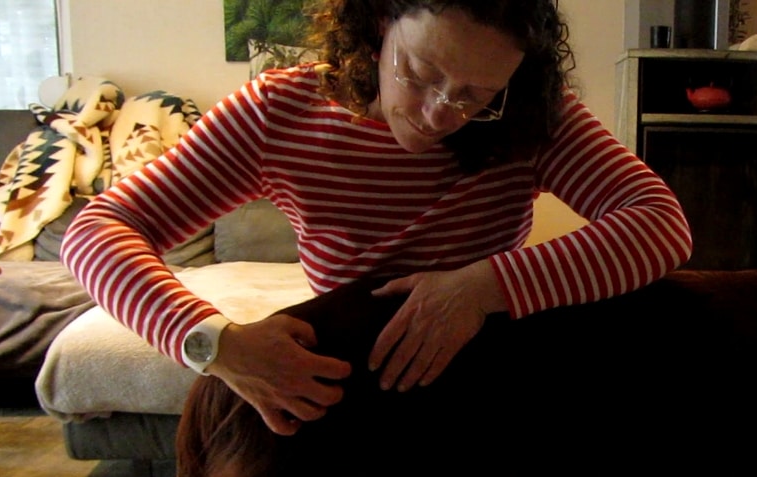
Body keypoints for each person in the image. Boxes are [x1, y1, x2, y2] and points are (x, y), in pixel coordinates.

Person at [61, 0, 692, 436]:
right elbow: (97, 230)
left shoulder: (534, 117)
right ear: (379, 24)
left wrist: (480, 288)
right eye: (419, 73)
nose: (440, 114)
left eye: (477, 96)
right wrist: (214, 342)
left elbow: (660, 223)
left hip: (491, 398)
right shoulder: (279, 112)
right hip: (350, 400)